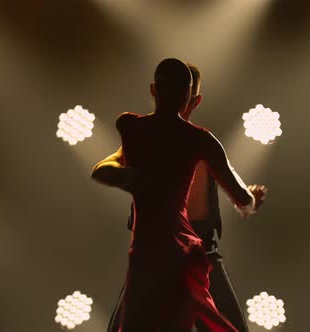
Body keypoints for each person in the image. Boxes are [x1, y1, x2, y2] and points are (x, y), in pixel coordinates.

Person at [92, 58, 266, 331]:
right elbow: (106, 166)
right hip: (161, 255)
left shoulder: (176, 138)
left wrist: (125, 176)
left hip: (183, 253)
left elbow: (106, 167)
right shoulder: (189, 140)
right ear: (189, 98)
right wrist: (249, 201)